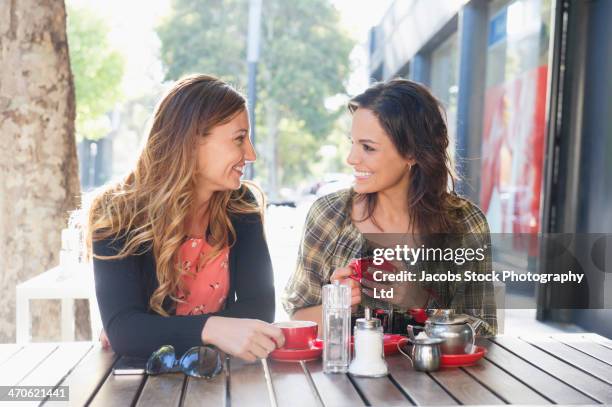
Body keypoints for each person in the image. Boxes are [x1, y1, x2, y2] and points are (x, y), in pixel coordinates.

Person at [88, 74, 284, 361]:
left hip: (217, 375)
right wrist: (214, 328)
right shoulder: (117, 212)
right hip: (143, 384)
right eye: (239, 139)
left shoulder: (240, 205)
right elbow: (126, 332)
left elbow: (260, 311)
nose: (250, 154)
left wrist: (156, 332)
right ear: (192, 141)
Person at [282, 79, 497, 335]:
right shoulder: (329, 215)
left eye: (368, 147)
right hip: (345, 375)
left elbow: (484, 331)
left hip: (437, 376)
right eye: (352, 142)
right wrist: (338, 305)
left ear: (413, 153)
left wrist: (421, 303)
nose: (351, 158)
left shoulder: (466, 223)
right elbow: (297, 319)